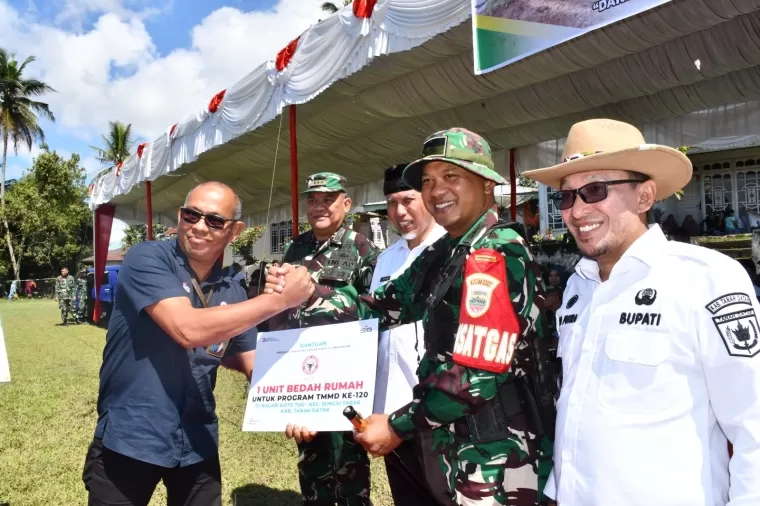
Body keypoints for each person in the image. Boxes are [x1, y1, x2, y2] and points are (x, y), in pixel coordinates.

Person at [270, 128, 556, 506]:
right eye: (428, 180)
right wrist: (309, 294)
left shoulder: (494, 254)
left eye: (451, 177)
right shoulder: (449, 252)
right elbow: (382, 305)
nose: (436, 190)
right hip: (458, 445)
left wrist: (396, 425)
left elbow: (475, 375)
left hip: (498, 458)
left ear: (488, 185)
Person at [521, 118, 760, 506]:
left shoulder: (705, 279)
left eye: (595, 190)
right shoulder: (579, 288)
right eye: (566, 197)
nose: (577, 210)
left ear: (645, 196)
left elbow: (754, 421)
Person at [82, 181, 314, 506]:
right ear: (180, 216)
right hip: (131, 435)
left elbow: (255, 364)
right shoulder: (147, 258)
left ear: (235, 231)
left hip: (196, 440)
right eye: (191, 215)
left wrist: (300, 406)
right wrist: (277, 302)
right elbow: (186, 328)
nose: (199, 227)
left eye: (215, 220)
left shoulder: (232, 292)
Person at [272, 172, 379, 506]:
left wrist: (325, 298)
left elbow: (375, 306)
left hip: (347, 368)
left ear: (345, 204)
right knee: (311, 450)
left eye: (328, 199)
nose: (318, 206)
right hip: (306, 368)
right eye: (312, 199)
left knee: (349, 454)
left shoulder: (361, 247)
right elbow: (283, 304)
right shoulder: (297, 247)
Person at [370, 164, 447, 505]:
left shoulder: (453, 252)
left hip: (438, 413)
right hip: (391, 411)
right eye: (390, 202)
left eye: (408, 200)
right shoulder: (386, 260)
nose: (399, 212)